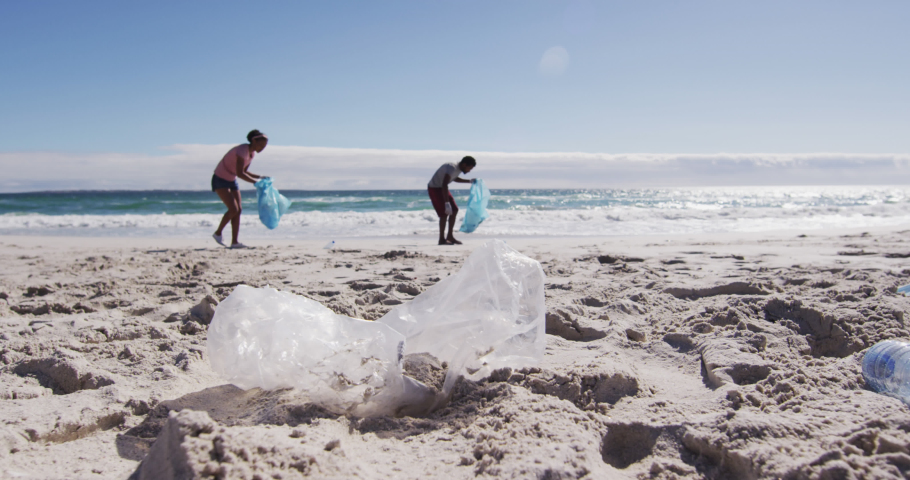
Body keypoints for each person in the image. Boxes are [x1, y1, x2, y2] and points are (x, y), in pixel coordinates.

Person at [211, 130, 269, 248]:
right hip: (220, 179)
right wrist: (256, 183)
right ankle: (218, 233)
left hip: (231, 181)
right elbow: (241, 173)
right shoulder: (242, 150)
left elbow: (245, 171)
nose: (262, 148)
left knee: (239, 210)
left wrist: (260, 177)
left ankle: (235, 242)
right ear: (254, 140)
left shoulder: (251, 154)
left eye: (265, 146)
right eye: (261, 145)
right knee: (233, 209)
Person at [428, 156, 476, 245]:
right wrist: (446, 203)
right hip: (435, 188)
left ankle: (450, 236)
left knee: (454, 210)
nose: (469, 171)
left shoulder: (458, 169)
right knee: (444, 213)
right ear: (464, 164)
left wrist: (469, 181)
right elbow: (445, 183)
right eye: (469, 168)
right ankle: (441, 239)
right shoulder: (452, 167)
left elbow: (453, 178)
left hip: (442, 187)